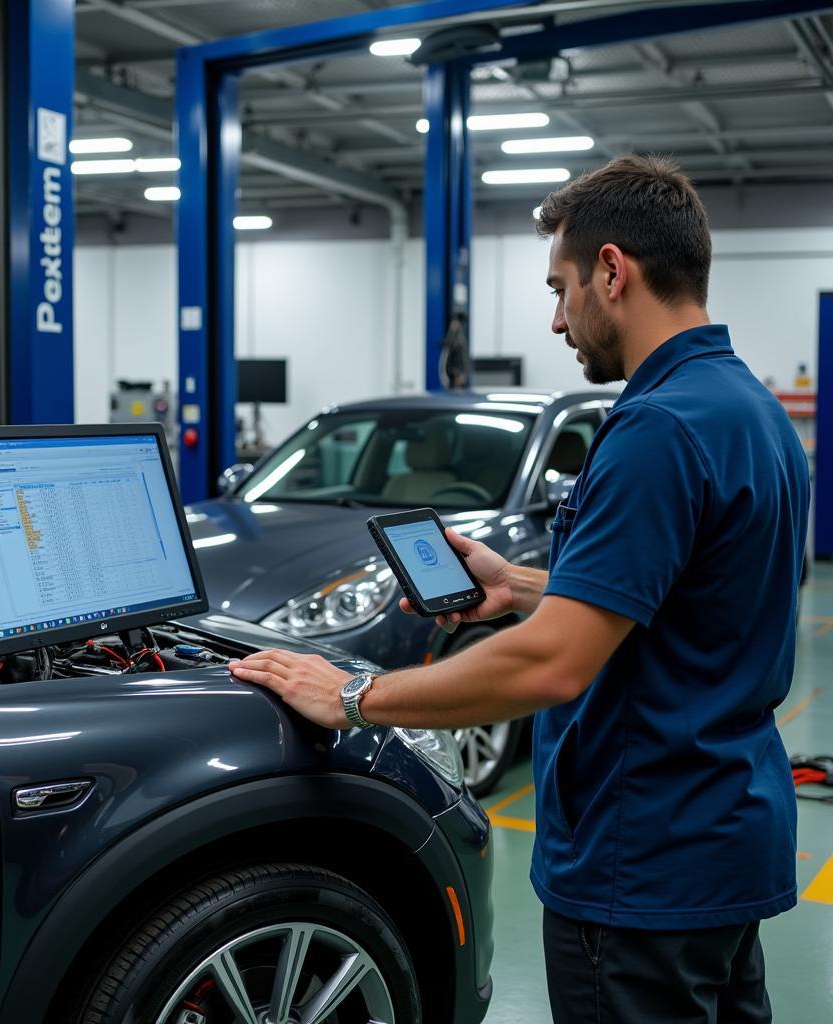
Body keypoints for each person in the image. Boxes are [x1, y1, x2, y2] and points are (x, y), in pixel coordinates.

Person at [229, 155, 811, 1023]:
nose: (555, 319)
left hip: (638, 858)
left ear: (612, 272)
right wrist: (524, 584)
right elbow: (692, 600)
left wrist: (353, 693)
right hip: (726, 838)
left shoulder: (653, 429)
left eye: (560, 286)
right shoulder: (749, 411)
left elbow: (552, 668)